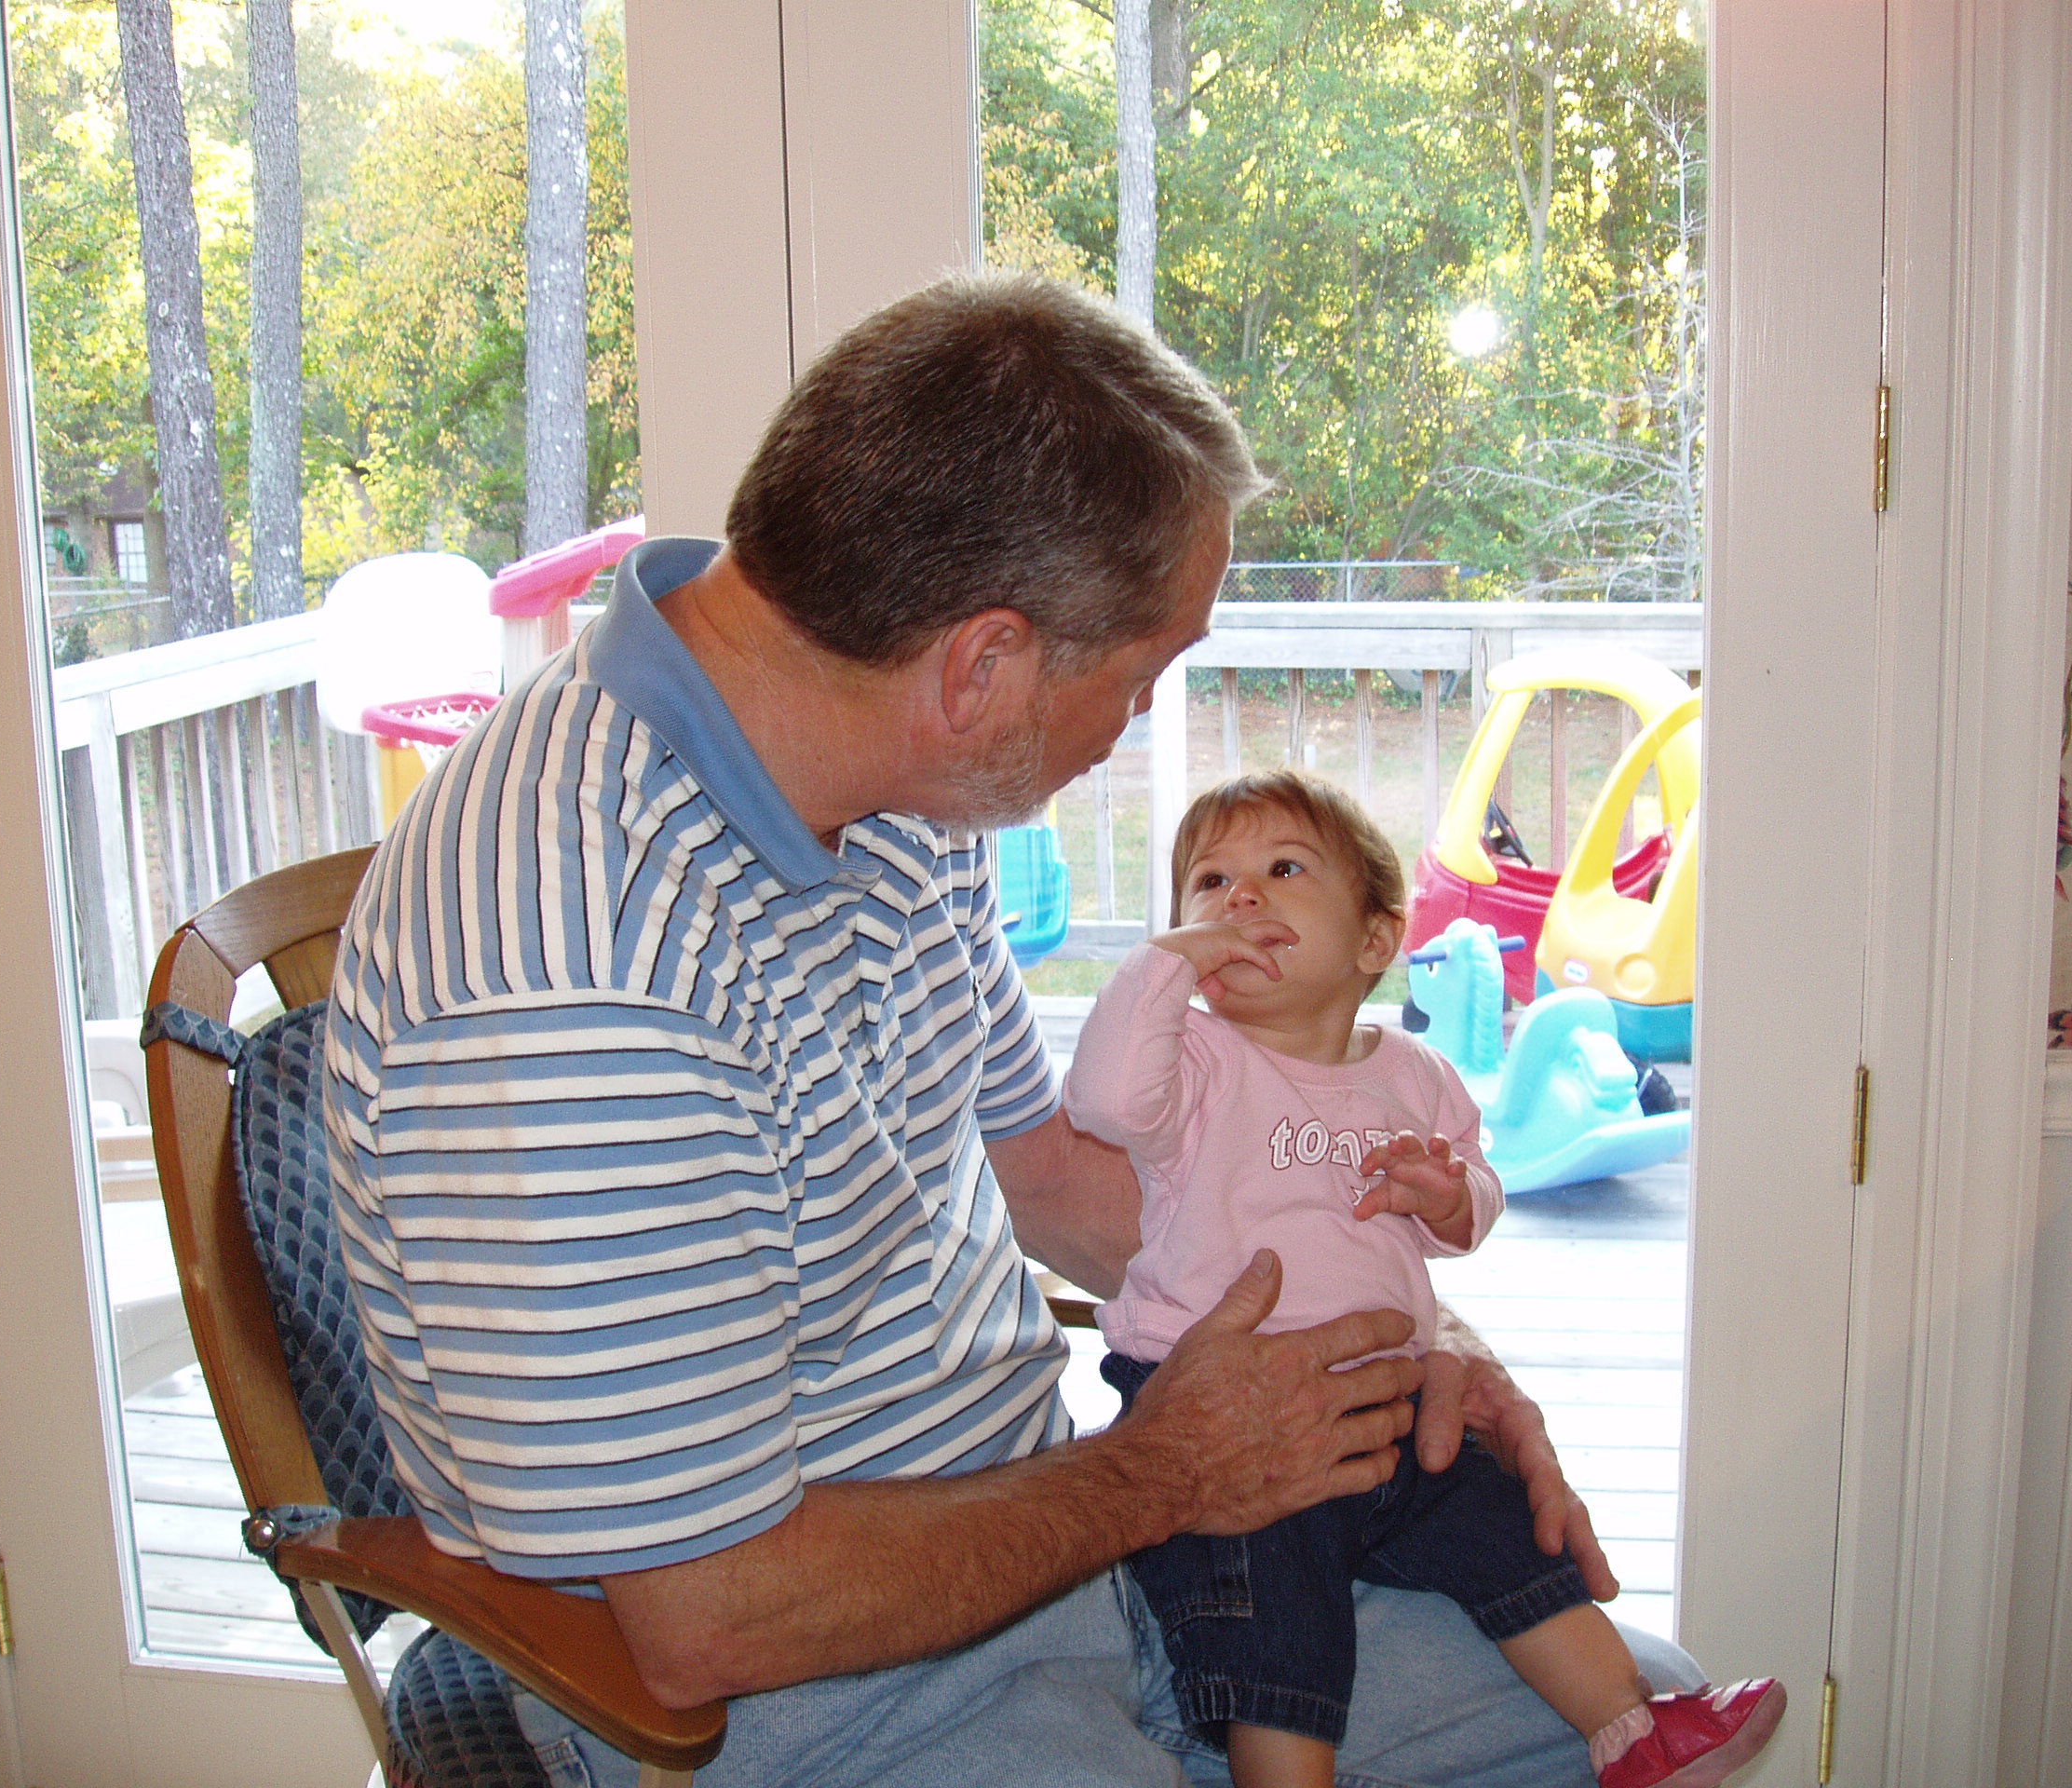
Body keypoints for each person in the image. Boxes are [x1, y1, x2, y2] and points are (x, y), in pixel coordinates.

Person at [323, 270, 1701, 1788]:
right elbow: (708, 1617)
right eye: (1143, 673)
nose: (1141, 718)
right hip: (807, 1693)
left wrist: (1398, 1337)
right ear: (982, 669)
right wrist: (1163, 1475)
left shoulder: (888, 777)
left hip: (1074, 1538)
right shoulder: (575, 973)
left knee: (1639, 1719)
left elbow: (1050, 1177)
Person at [1066, 770, 1784, 1788]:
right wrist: (1164, 964)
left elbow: (1475, 1204)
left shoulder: (1413, 1074)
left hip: (1392, 1402)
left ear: (1374, 941)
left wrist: (1449, 1196)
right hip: (1223, 1413)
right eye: (1209, 883)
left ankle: (1632, 1732)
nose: (1240, 898)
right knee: (1280, 1634)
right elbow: (1100, 1100)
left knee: (1508, 1538)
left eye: (1283, 870)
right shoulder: (1196, 1067)